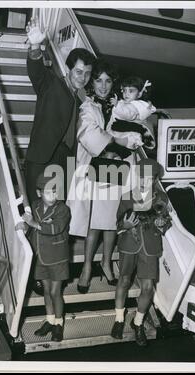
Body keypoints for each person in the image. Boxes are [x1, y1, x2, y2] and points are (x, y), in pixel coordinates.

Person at [67, 58, 141, 293]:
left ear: (114, 83)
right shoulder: (88, 106)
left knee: (110, 221)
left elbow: (135, 129)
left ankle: (107, 262)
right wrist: (116, 143)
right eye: (98, 80)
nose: (103, 85)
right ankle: (87, 267)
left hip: (118, 168)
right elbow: (88, 134)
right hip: (96, 167)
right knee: (93, 223)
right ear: (92, 83)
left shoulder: (121, 105)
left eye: (108, 81)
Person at [25, 17, 95, 204]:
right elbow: (36, 72)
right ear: (69, 69)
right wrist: (35, 47)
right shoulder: (51, 84)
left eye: (87, 73)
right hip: (43, 158)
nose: (83, 77)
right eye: (79, 71)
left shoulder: (80, 99)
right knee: (38, 209)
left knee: (59, 211)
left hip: (65, 161)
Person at [110, 158, 171, 346]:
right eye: (141, 176)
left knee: (148, 288)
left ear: (154, 179)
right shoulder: (127, 196)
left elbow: (165, 220)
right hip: (129, 244)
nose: (145, 180)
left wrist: (163, 225)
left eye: (149, 177)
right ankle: (119, 319)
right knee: (124, 280)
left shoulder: (161, 198)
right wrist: (125, 225)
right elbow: (118, 223)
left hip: (150, 247)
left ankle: (137, 323)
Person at [22, 171, 71, 341]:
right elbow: (33, 227)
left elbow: (54, 229)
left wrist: (34, 223)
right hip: (40, 257)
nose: (53, 196)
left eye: (56, 192)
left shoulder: (63, 209)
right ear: (39, 192)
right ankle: (50, 320)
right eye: (48, 192)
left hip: (57, 258)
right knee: (46, 292)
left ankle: (59, 324)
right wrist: (24, 225)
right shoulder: (35, 205)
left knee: (55, 292)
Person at [108, 76, 157, 151]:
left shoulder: (135, 105)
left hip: (126, 132)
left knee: (120, 139)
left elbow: (128, 115)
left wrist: (117, 105)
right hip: (120, 130)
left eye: (131, 91)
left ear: (140, 94)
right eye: (124, 90)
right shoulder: (128, 102)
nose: (126, 94)